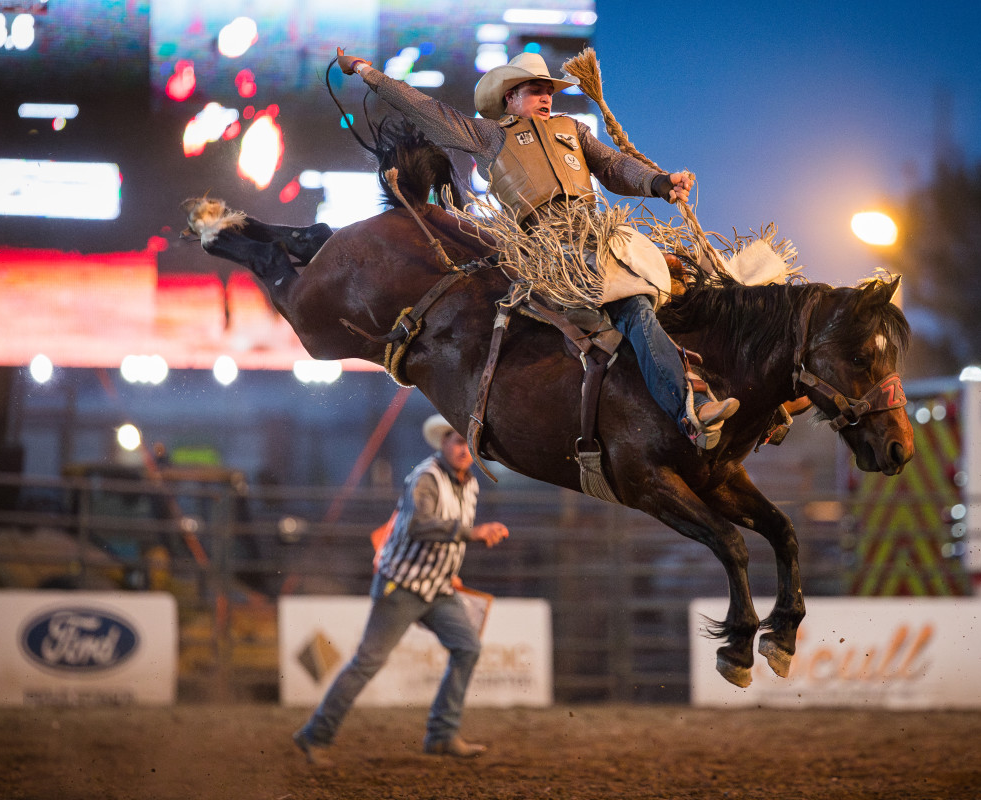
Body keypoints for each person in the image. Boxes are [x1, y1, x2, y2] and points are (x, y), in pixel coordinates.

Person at [335, 48, 739, 449]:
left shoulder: (573, 130)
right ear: (510, 97)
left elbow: (614, 166)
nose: (547, 96)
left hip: (601, 236)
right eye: (535, 89)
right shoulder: (491, 136)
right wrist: (368, 72)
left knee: (688, 279)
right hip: (551, 253)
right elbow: (425, 109)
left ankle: (753, 391)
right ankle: (690, 408)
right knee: (634, 307)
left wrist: (661, 182)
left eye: (549, 90)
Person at [292, 415, 509, 765]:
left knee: (467, 647)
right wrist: (474, 533)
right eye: (456, 440)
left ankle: (442, 734)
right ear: (443, 443)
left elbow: (445, 536)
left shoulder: (469, 484)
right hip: (402, 586)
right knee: (368, 662)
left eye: (466, 442)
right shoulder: (426, 477)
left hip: (437, 587)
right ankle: (314, 734)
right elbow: (419, 525)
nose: (463, 449)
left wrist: (455, 562)